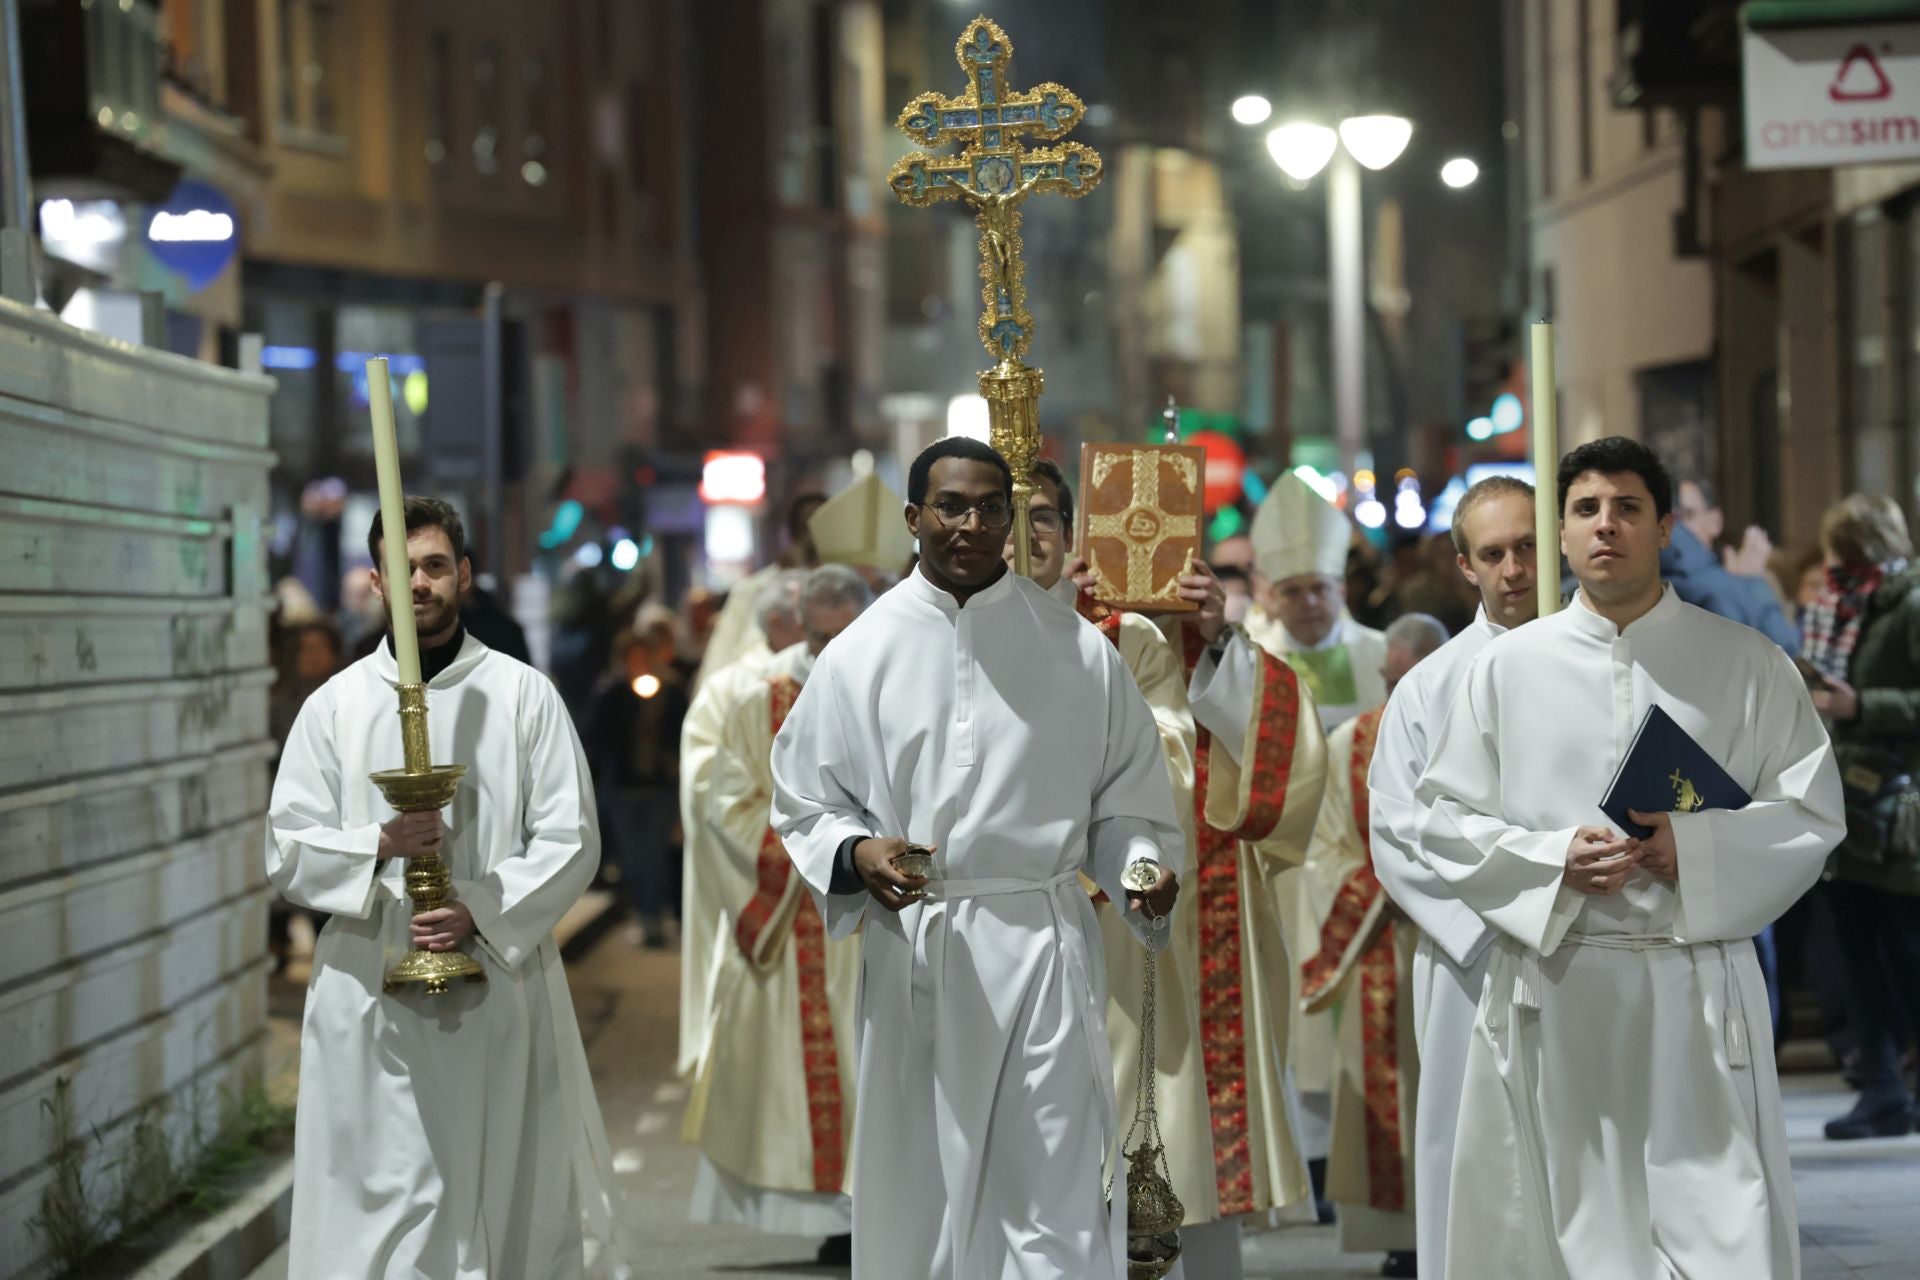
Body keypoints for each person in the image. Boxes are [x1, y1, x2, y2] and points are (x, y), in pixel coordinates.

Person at [1413, 438, 1845, 1278]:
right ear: (1564, 537)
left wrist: (1701, 844)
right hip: (1563, 986)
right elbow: (1443, 819)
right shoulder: (1505, 669)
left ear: (1666, 528)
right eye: (1585, 510)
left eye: (1628, 508)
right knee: (1574, 1232)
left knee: (1723, 1227)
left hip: (1697, 983)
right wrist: (1550, 859)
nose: (1605, 525)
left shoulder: (1745, 663)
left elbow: (1811, 811)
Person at [769, 437, 1183, 1278]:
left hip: (1042, 945)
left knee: (1054, 1181)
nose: (971, 523)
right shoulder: (859, 653)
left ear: (1013, 521)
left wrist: (1140, 864)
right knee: (922, 1190)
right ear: (914, 517)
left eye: (992, 507)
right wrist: (854, 852)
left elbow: (1128, 801)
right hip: (920, 943)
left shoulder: (1076, 651)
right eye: (950, 506)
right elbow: (803, 799)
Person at [266, 496, 625, 1278]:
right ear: (375, 583)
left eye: (433, 565)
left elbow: (572, 837)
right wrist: (379, 844)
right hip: (371, 983)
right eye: (402, 568)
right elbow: (286, 850)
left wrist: (482, 910)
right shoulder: (334, 707)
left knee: (494, 1184)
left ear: (462, 574)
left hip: (495, 974)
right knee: (381, 1191)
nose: (419, 582)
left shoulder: (525, 696)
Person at [1038, 459, 1321, 1279]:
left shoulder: (1130, 636)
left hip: (1147, 917)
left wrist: (1212, 638)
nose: (1027, 541)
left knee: (1173, 1131)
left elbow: (1177, 765)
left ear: (1074, 532)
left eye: (1046, 522)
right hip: (1019, 915)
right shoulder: (952, 635)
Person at [1365, 475, 1540, 1280]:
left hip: (1594, 947)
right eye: (1495, 554)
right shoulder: (1430, 687)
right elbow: (1396, 832)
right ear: (1465, 566)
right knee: (1472, 1155)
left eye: (1529, 548)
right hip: (1476, 961)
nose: (1515, 570)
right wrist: (1490, 926)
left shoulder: (1610, 660)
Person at [685, 565, 874, 1263]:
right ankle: (840, 1217)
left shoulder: (893, 683)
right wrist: (814, 855)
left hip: (889, 913)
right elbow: (728, 802)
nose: (829, 651)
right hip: (804, 913)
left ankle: (892, 1207)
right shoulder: (758, 700)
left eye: (842, 636)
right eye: (819, 638)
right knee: (821, 1072)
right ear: (800, 626)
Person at [1246, 471, 1387, 1206]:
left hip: (1361, 875)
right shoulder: (1242, 657)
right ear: (1269, 592)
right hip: (1276, 870)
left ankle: (1353, 1165)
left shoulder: (1385, 656)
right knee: (1286, 1015)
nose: (1307, 604)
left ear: (1341, 590)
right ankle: (1303, 1166)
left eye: (1320, 590)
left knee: (1359, 1018)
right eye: (1293, 590)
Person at [1300, 612, 1446, 1280]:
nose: (1396, 693)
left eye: (1408, 679)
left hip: (1457, 944)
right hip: (1382, 941)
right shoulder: (1350, 742)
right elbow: (1326, 851)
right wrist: (1382, 881)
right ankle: (1401, 1238)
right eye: (1390, 680)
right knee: (1391, 1095)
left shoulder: (1470, 734)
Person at [1806, 493, 1920, 1140]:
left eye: (1839, 551)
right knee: (1855, 945)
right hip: (1847, 799)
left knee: (1904, 948)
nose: (1830, 564)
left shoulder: (1907, 605)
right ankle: (1881, 1088)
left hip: (1898, 809)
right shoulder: (1844, 607)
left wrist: (1863, 706)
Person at [676, 569, 808, 1079]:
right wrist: (792, 830)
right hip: (758, 875)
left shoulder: (830, 673)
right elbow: (704, 783)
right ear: (777, 621)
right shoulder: (733, 686)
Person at [582, 606, 690, 948]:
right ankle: (644, 913)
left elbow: (681, 735)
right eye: (633, 657)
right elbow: (598, 740)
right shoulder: (610, 692)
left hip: (660, 786)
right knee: (633, 855)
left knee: (655, 853)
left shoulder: (671, 691)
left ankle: (654, 915)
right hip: (623, 788)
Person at [695, 492, 825, 690]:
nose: (812, 537)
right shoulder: (752, 591)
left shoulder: (846, 592)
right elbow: (719, 665)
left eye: (821, 526)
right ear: (792, 535)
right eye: (805, 526)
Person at [1663, 477, 1800, 654]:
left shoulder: (1727, 583)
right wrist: (1749, 587)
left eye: (1689, 515)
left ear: (1716, 521)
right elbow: (1785, 649)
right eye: (1676, 517)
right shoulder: (1728, 587)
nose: (1680, 528)